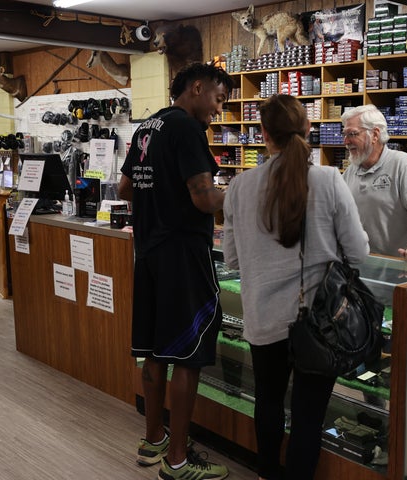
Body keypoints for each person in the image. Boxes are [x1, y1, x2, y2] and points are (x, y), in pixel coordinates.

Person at [222, 94, 369, 480]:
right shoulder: (327, 180)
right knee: (308, 419)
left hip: (263, 319)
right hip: (319, 325)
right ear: (307, 130)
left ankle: (266, 472)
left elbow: (233, 260)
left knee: (268, 404)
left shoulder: (239, 186)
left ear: (263, 135)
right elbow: (359, 251)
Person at [118, 62, 233, 480]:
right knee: (187, 356)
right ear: (197, 87)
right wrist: (246, 190)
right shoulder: (186, 128)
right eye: (219, 99)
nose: (219, 110)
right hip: (184, 257)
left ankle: (154, 441)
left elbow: (125, 188)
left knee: (154, 351)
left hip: (148, 253)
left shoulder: (148, 126)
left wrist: (160, 201)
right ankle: (180, 462)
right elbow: (204, 199)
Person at [340, 104, 407, 264]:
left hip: (398, 268)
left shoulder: (401, 163)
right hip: (361, 268)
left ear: (375, 135)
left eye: (352, 134)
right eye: (345, 134)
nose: (346, 141)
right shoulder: (350, 172)